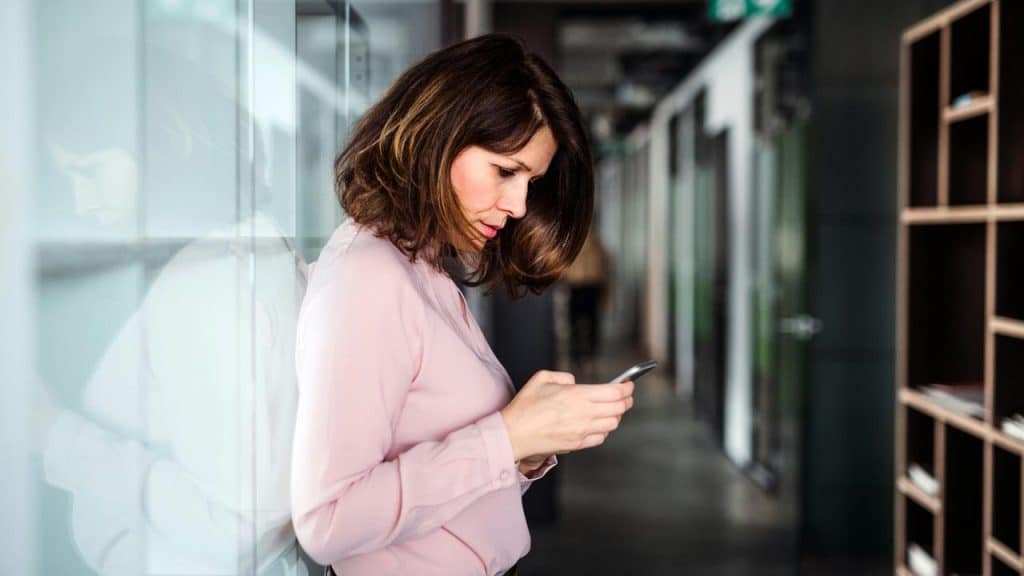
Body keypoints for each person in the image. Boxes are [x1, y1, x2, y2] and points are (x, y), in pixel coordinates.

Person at [289, 34, 636, 576]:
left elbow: (447, 474)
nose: (519, 205)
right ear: (439, 137)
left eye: (531, 182)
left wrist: (522, 447)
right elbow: (329, 520)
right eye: (505, 171)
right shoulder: (370, 279)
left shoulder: (419, 266)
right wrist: (506, 437)